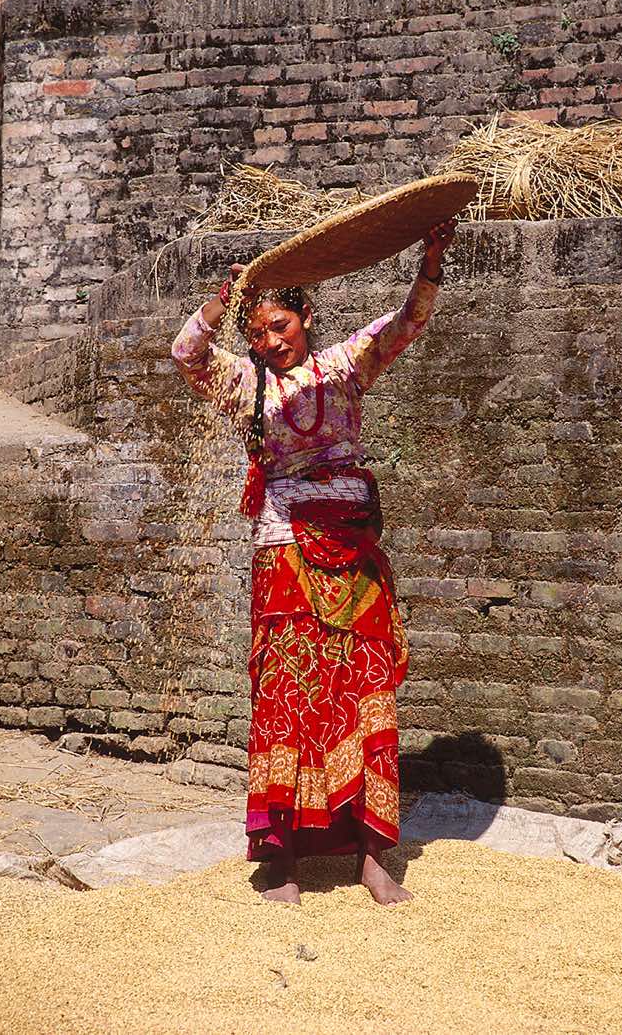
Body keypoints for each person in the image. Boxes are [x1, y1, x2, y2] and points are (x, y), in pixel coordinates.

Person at [171, 218, 457, 905]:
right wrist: (222, 300)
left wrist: (431, 258)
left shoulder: (345, 365)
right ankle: (285, 861)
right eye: (258, 333)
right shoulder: (245, 383)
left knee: (363, 686)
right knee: (287, 694)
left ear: (305, 317)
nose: (271, 342)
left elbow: (409, 322)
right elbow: (185, 352)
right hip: (284, 551)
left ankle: (373, 856)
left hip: (351, 548)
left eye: (281, 325)